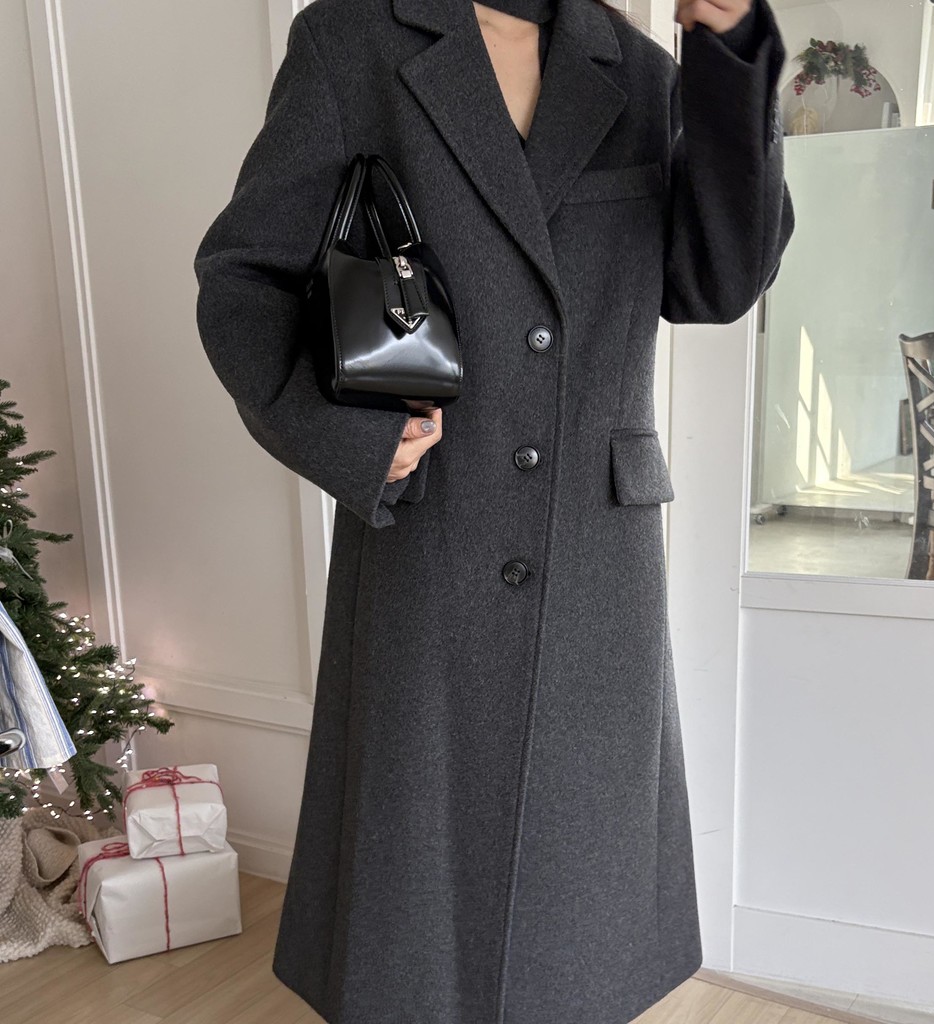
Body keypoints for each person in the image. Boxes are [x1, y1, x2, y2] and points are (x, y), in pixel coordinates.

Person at [192, 0, 794, 1021]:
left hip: (595, 551)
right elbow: (244, 278)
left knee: (579, 884)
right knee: (417, 878)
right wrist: (347, 436)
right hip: (432, 526)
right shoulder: (352, 43)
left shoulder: (639, 70)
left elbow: (717, 282)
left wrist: (729, 53)